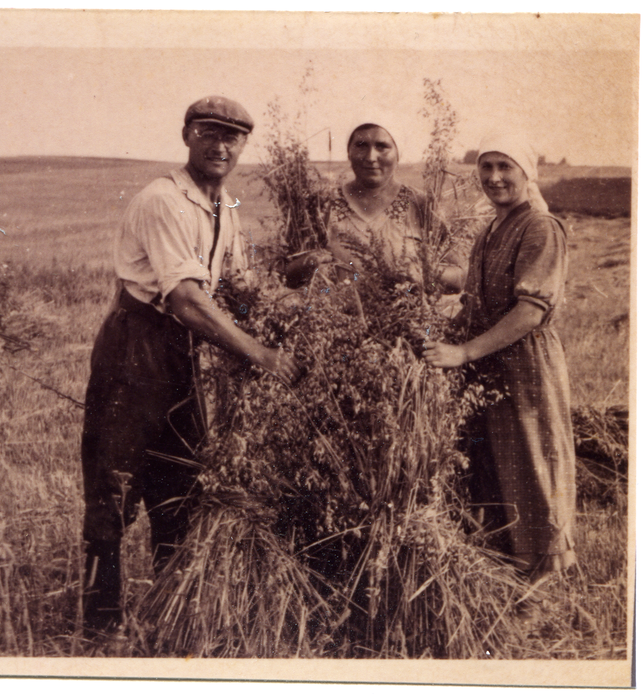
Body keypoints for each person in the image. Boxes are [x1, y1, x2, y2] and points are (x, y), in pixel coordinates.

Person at [80, 96, 302, 633]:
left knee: (177, 484)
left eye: (233, 137)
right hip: (138, 346)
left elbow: (238, 286)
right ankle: (100, 623)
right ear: (186, 136)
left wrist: (298, 304)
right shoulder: (164, 201)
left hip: (185, 354)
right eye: (208, 133)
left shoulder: (226, 207)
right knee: (115, 482)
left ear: (244, 146)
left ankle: (165, 614)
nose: (220, 145)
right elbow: (186, 298)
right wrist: (260, 353)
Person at [423, 133, 577, 581]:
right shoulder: (492, 229)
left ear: (528, 173)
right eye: (486, 167)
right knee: (497, 464)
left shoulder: (541, 228)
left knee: (534, 461)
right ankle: (510, 569)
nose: (494, 177)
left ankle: (542, 577)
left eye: (504, 166)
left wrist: (464, 352)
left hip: (526, 364)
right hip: (491, 363)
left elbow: (530, 310)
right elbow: (476, 295)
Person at [285, 117, 464, 292]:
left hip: (405, 319)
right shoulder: (323, 204)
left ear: (398, 153)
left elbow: (460, 277)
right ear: (349, 152)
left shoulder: (422, 204)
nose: (371, 157)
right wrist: (309, 263)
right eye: (361, 145)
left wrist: (426, 275)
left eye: (382, 147)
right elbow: (287, 276)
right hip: (335, 320)